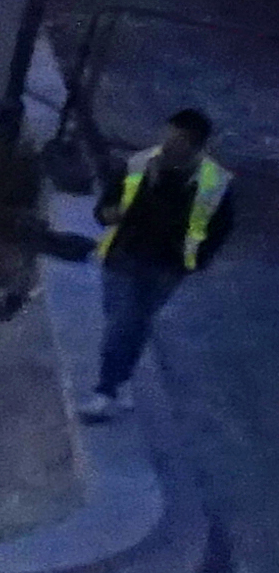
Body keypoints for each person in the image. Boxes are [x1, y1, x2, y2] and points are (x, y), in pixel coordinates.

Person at [85, 108, 230, 419]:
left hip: (166, 266)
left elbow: (219, 230)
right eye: (169, 135)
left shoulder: (213, 183)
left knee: (131, 324)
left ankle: (107, 390)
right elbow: (104, 208)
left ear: (196, 146)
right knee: (123, 323)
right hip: (124, 256)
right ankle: (116, 384)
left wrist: (195, 260)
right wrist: (109, 214)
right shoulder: (138, 165)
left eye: (179, 139)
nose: (168, 144)